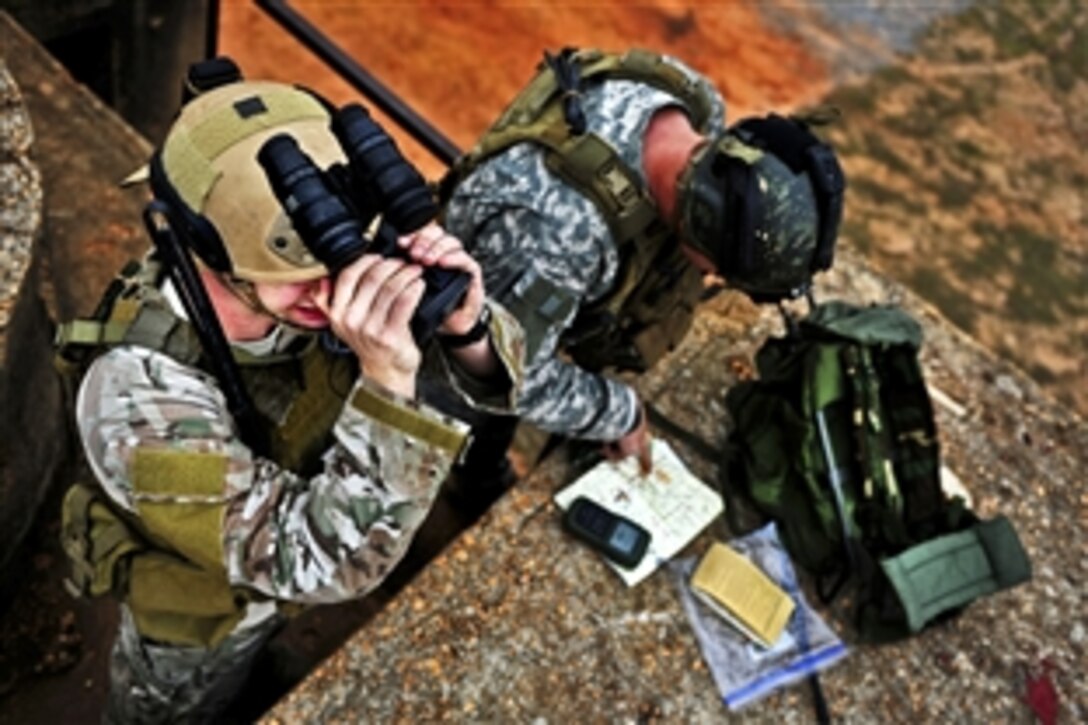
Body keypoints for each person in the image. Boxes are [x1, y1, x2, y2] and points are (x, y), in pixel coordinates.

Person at [56, 62, 524, 723]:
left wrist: (465, 328)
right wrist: (387, 382)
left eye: (340, 260)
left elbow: (492, 379)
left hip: (288, 570)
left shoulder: (314, 280)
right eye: (300, 274)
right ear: (211, 253)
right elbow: (318, 561)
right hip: (205, 618)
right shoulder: (137, 400)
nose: (333, 292)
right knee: (176, 706)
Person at [441, 47, 844, 478]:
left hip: (526, 289)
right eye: (717, 268)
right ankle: (466, 484)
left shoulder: (695, 104)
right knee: (451, 442)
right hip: (438, 334)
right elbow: (510, 373)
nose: (711, 276)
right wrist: (620, 412)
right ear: (700, 221)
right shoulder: (562, 234)